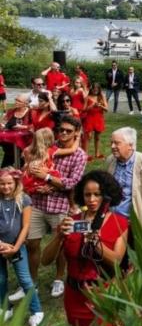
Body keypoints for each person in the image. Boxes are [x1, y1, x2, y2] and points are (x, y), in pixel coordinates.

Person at [41, 170, 128, 326]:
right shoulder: (71, 222)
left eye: (97, 194)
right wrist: (59, 236)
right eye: (87, 194)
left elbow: (117, 261)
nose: (92, 199)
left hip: (103, 296)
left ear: (107, 195)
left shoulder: (119, 222)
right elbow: (45, 260)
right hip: (75, 297)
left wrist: (95, 242)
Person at [24, 116, 87, 300]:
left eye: (68, 131)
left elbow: (72, 183)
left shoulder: (79, 155)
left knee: (60, 244)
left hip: (60, 206)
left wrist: (48, 179)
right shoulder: (50, 147)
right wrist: (38, 182)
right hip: (37, 203)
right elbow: (31, 164)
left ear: (76, 133)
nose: (63, 133)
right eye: (61, 130)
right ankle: (32, 281)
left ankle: (59, 278)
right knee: (32, 244)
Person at [0, 167, 43, 326]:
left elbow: (25, 226)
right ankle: (5, 307)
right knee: (1, 279)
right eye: (2, 184)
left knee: (25, 279)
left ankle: (36, 311)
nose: (6, 187)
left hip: (17, 246)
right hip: (0, 245)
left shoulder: (24, 199)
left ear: (16, 183)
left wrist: (15, 247)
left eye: (9, 183)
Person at [106, 127, 142, 236]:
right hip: (113, 220)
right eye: (111, 142)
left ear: (131, 146)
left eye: (117, 143)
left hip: (137, 222)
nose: (112, 146)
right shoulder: (110, 160)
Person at [1, 94, 31, 168]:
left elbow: (35, 126)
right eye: (16, 100)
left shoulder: (30, 113)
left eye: (19, 101)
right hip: (10, 142)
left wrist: (23, 127)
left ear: (25, 103)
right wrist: (2, 125)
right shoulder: (11, 111)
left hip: (24, 142)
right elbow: (4, 122)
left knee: (20, 165)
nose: (16, 102)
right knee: (5, 167)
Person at [82, 83, 108, 159]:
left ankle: (97, 153)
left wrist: (100, 106)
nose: (95, 91)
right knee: (88, 137)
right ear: (91, 89)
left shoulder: (101, 97)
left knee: (97, 137)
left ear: (99, 90)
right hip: (89, 118)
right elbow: (84, 109)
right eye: (94, 89)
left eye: (97, 89)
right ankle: (85, 155)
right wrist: (92, 106)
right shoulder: (88, 97)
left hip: (99, 118)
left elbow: (106, 109)